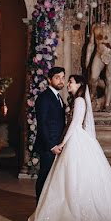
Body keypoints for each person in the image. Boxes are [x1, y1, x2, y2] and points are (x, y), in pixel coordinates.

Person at [28, 74, 111, 221]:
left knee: (76, 175)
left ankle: (77, 209)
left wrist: (62, 142)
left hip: (76, 139)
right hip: (75, 139)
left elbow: (74, 124)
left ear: (79, 85)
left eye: (71, 82)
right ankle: (73, 206)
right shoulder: (76, 100)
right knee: (72, 176)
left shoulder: (80, 101)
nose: (68, 84)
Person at [34, 66, 66, 204]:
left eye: (63, 77)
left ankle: (49, 205)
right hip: (48, 146)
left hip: (57, 144)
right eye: (57, 77)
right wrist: (52, 145)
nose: (61, 81)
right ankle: (40, 207)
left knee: (54, 178)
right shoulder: (44, 98)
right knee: (45, 176)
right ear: (49, 79)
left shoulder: (58, 98)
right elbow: (42, 124)